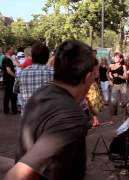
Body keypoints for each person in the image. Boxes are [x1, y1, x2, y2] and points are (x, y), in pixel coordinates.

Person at [4, 40, 97, 180]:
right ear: (88, 77)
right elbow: (18, 175)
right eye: (95, 75)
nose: (96, 78)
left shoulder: (41, 93)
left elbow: (30, 163)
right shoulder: (72, 117)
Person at [13, 42, 54, 116]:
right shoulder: (54, 73)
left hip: (28, 117)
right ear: (48, 57)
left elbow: (16, 90)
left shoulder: (22, 73)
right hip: (48, 116)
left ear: (32, 56)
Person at [108, 52, 128, 124]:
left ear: (120, 59)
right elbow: (108, 73)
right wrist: (110, 80)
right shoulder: (111, 66)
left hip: (123, 85)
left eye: (117, 57)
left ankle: (125, 118)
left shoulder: (123, 67)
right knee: (113, 102)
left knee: (124, 102)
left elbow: (126, 77)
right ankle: (112, 119)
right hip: (115, 86)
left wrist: (119, 75)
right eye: (115, 57)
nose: (115, 58)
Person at [2, 45, 17, 114]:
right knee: (12, 95)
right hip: (10, 79)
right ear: (8, 50)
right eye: (12, 49)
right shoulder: (7, 59)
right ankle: (14, 110)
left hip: (7, 79)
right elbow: (8, 70)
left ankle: (6, 110)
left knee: (8, 95)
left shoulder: (6, 58)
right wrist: (15, 76)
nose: (13, 50)